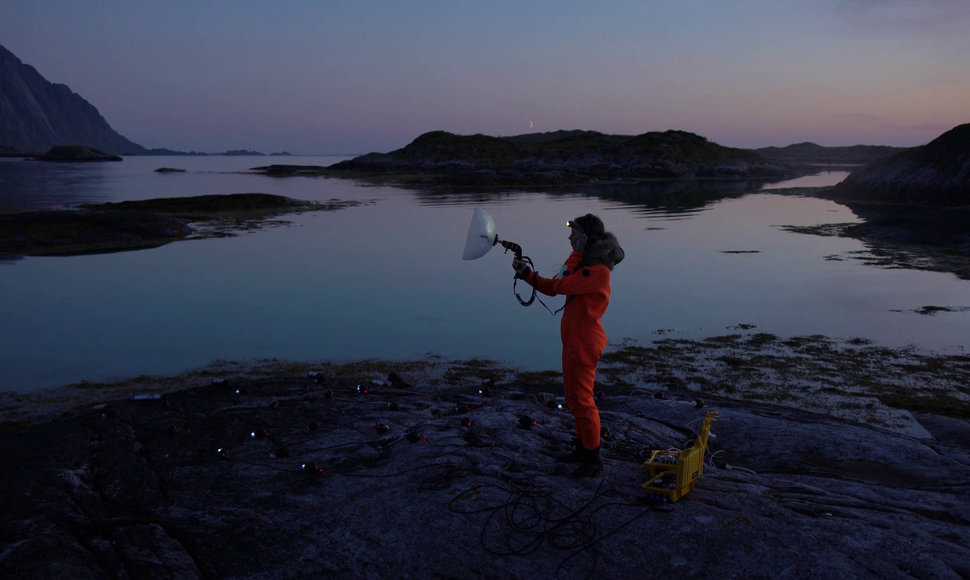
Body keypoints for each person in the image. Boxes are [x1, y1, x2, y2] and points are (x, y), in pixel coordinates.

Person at [512, 213, 624, 477]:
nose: (569, 237)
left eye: (574, 233)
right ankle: (583, 448)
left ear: (585, 238)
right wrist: (527, 275)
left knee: (584, 401)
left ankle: (592, 458)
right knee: (574, 399)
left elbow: (562, 284)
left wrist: (576, 254)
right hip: (573, 341)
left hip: (584, 344)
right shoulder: (581, 265)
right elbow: (553, 286)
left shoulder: (597, 272)